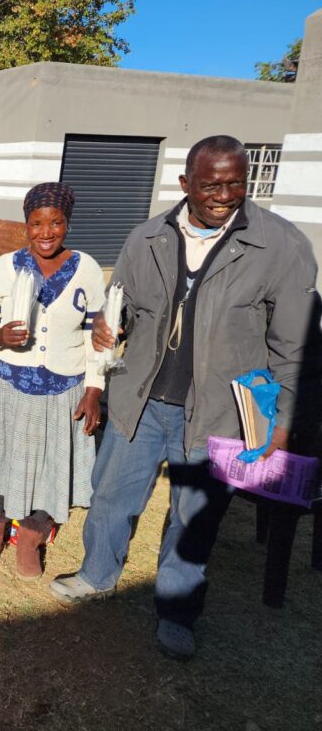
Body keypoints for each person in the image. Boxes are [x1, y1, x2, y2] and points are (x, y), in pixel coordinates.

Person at [48, 136, 319, 660]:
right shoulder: (147, 236)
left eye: (235, 182)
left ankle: (176, 611)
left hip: (221, 409)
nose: (224, 194)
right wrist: (111, 327)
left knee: (193, 517)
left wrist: (282, 420)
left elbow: (295, 346)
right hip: (141, 400)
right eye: (210, 183)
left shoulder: (280, 245)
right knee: (111, 496)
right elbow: (120, 305)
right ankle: (97, 574)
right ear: (185, 184)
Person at [0, 182, 105, 580]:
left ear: (67, 223)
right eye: (36, 223)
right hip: (4, 384)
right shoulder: (4, 267)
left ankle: (30, 540)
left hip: (62, 389)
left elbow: (96, 337)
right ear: (26, 225)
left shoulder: (87, 270)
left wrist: (95, 389)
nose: (45, 232)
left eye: (56, 223)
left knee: (50, 468)